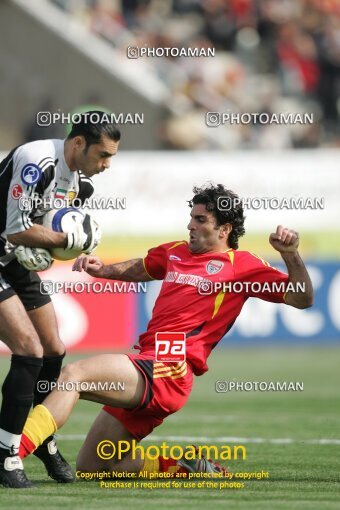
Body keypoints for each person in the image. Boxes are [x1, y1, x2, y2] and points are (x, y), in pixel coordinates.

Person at [18, 183, 313, 480]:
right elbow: (140, 268)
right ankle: (186, 466)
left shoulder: (242, 266)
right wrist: (102, 270)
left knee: (73, 375)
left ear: (224, 229)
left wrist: (291, 255)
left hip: (170, 369)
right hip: (149, 365)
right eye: (191, 217)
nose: (191, 225)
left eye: (200, 220)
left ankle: (11, 455)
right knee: (93, 467)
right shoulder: (175, 252)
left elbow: (302, 297)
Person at [0, 111, 121, 488]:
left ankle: (41, 436)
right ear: (78, 143)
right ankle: (5, 455)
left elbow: (55, 233)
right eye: (103, 155)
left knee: (54, 349)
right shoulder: (38, 161)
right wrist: (68, 241)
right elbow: (17, 230)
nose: (106, 165)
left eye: (112, 157)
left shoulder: (79, 185)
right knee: (29, 350)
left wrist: (77, 252)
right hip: (5, 249)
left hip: (12, 259)